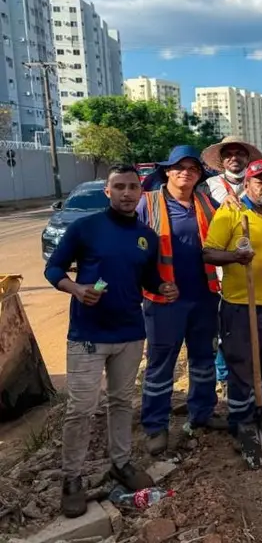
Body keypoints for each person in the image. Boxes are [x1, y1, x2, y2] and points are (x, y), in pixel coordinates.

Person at [45, 165, 178, 518]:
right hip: (88, 335)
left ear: (140, 192)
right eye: (118, 186)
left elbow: (149, 279)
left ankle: (121, 463)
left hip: (130, 333)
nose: (126, 193)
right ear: (108, 191)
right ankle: (72, 479)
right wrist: (75, 289)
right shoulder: (85, 228)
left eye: (133, 187)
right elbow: (53, 269)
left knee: (121, 402)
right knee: (81, 409)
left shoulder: (146, 236)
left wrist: (163, 286)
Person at [136, 146, 226, 456]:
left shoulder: (205, 202)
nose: (185, 172)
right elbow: (133, 250)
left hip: (203, 296)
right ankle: (155, 426)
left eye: (192, 168)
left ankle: (202, 413)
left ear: (200, 175)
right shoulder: (147, 204)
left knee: (203, 360)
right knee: (161, 365)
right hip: (164, 300)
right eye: (178, 167)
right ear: (167, 171)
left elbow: (225, 231)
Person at [202, 159, 262, 457]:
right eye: (259, 181)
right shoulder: (232, 212)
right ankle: (241, 420)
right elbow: (208, 252)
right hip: (241, 305)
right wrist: (236, 257)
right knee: (242, 363)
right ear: (248, 185)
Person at [201, 136, 262, 389]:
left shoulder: (256, 185)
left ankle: (249, 372)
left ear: (247, 158)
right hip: (217, 265)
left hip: (251, 264)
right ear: (221, 159)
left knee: (249, 323)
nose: (234, 158)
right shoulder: (207, 187)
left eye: (240, 153)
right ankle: (223, 376)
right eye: (229, 154)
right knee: (222, 324)